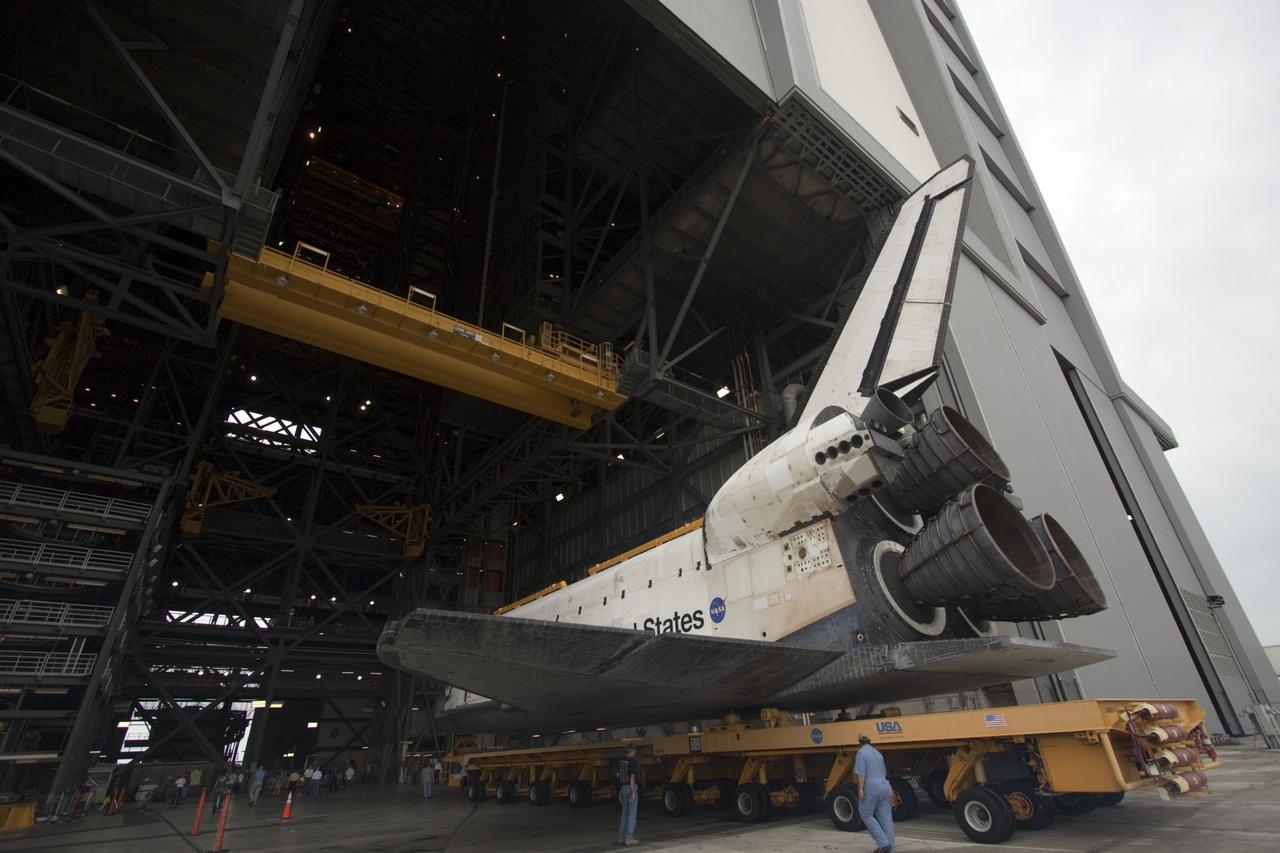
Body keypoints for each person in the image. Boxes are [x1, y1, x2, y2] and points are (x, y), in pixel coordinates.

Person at [855, 734, 894, 853]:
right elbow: (884, 772)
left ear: (860, 742)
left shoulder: (861, 753)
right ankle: (890, 848)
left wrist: (860, 789)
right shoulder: (878, 754)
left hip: (872, 787)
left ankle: (883, 843)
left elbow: (861, 773)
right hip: (885, 786)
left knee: (866, 814)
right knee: (886, 817)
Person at [616, 744, 639, 846]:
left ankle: (621, 837)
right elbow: (632, 778)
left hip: (623, 788)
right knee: (632, 814)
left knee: (624, 813)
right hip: (630, 788)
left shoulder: (621, 761)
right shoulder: (632, 762)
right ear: (632, 751)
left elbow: (617, 774)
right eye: (635, 750)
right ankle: (629, 838)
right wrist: (633, 792)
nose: (635, 752)